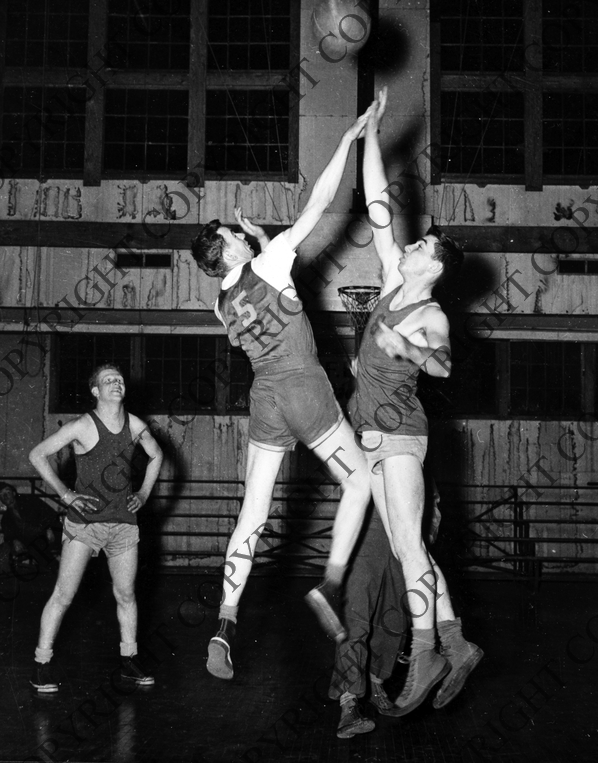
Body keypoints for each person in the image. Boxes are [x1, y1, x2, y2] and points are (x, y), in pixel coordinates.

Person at [190, 111, 373, 680]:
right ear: (227, 252)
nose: (238, 233)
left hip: (264, 400)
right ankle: (332, 584)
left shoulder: (220, 303)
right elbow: (317, 206)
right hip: (303, 389)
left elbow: (266, 283)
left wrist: (261, 241)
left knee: (253, 514)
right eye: (230, 235)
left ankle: (224, 625)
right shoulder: (265, 263)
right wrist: (344, 141)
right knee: (361, 480)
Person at [348, 89, 482, 716]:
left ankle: (427, 649)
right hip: (372, 432)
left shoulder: (427, 312)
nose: (408, 245)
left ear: (435, 267)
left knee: (407, 543)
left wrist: (404, 345)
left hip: (402, 432)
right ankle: (454, 641)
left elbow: (444, 365)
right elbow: (377, 202)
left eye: (421, 247)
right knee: (409, 549)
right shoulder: (394, 277)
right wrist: (370, 134)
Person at [27, 364, 163, 694]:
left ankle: (129, 660)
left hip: (123, 526)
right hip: (84, 525)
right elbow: (37, 454)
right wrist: (65, 494)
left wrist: (143, 494)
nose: (116, 383)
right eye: (107, 381)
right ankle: (41, 664)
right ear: (95, 391)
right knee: (64, 594)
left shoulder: (135, 425)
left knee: (126, 594)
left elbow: (156, 455)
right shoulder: (82, 426)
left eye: (118, 380)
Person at [328, 504, 407, 739]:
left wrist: (426, 536)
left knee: (395, 618)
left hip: (403, 533)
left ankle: (377, 682)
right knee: (355, 618)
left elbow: (431, 498)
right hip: (363, 531)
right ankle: (348, 702)